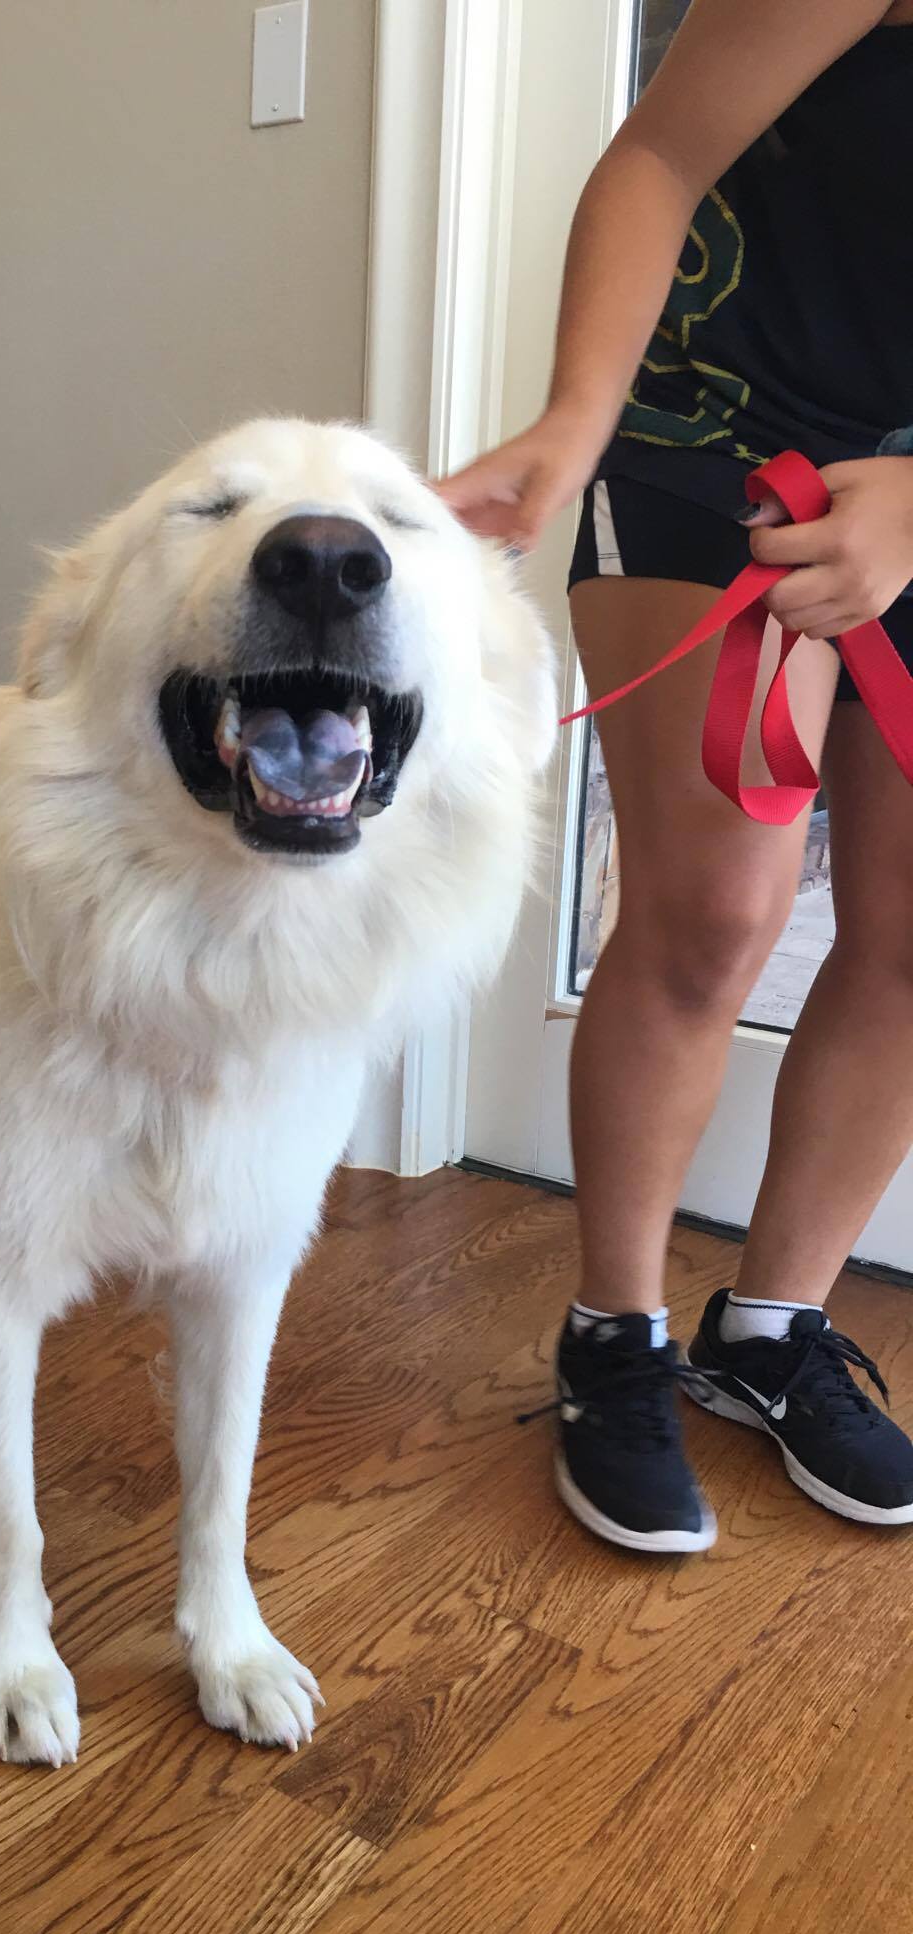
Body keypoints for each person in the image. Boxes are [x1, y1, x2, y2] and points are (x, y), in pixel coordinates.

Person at [440, 0, 913, 1552]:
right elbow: (657, 152)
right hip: (726, 422)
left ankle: (772, 1335)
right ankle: (615, 1335)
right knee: (718, 907)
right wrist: (573, 427)